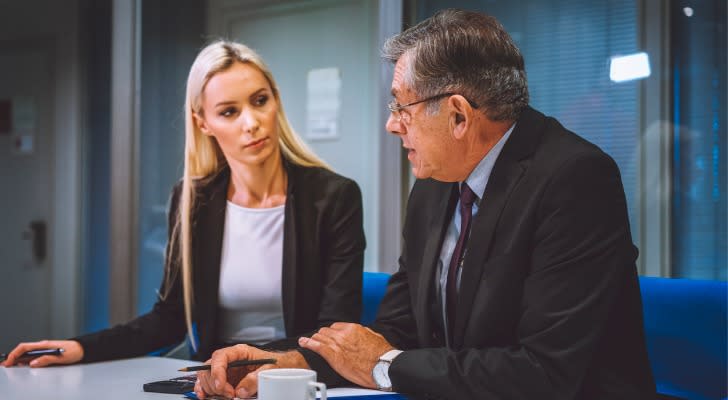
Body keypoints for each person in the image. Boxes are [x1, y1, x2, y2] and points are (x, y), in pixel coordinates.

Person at [195, 9, 656, 400]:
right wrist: (286, 363)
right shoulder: (435, 182)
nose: (392, 126)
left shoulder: (575, 178)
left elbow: (543, 372)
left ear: (457, 115)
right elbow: (399, 329)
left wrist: (386, 366)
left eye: (401, 107)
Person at [1, 40, 365, 368]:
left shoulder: (333, 197)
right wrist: (80, 348)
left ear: (276, 100)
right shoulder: (194, 200)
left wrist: (264, 363)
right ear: (202, 122)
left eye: (259, 101)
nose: (251, 123)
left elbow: (333, 330)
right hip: (213, 379)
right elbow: (170, 318)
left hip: (292, 376)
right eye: (228, 112)